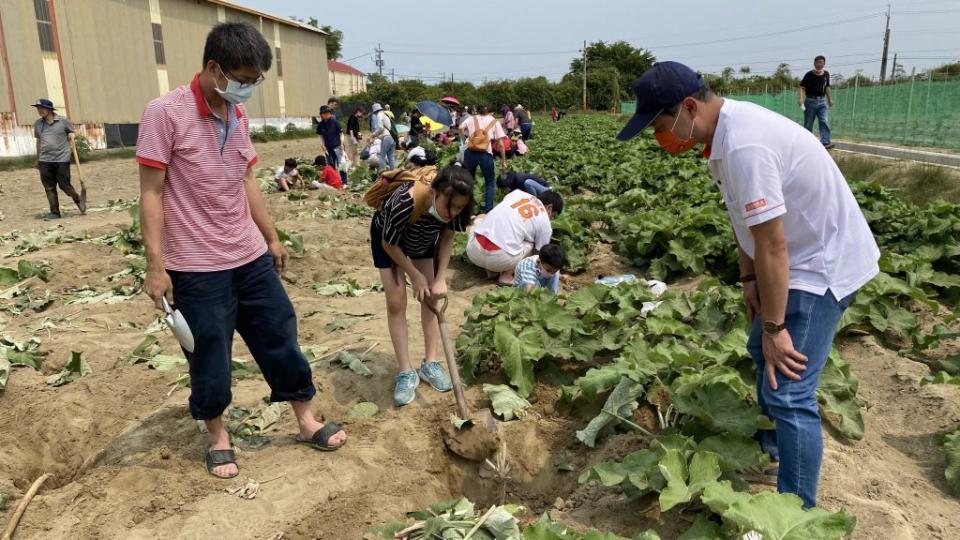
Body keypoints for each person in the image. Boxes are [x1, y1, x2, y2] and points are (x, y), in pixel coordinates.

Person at [617, 61, 879, 509]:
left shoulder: (745, 146)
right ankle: (771, 450)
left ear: (688, 106)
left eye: (661, 124)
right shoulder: (722, 140)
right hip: (794, 259)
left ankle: (795, 513)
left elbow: (774, 245)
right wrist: (749, 280)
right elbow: (747, 225)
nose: (660, 136)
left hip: (821, 265)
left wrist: (777, 328)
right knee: (760, 352)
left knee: (791, 389)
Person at [136, 22, 346, 480]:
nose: (248, 88)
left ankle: (305, 418)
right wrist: (155, 267)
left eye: (255, 81)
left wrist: (271, 237)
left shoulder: (238, 114)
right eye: (244, 79)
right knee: (210, 354)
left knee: (279, 334)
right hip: (195, 265)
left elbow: (246, 178)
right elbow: (151, 193)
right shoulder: (164, 113)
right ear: (214, 68)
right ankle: (218, 436)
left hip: (247, 255)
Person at [370, 166, 475, 406]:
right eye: (451, 205)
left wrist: (438, 279)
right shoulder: (405, 202)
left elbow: (447, 239)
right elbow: (389, 244)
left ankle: (430, 364)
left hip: (424, 238)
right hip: (390, 242)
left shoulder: (457, 207)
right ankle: (406, 371)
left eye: (460, 207)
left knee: (431, 299)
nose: (454, 212)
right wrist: (415, 275)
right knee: (396, 303)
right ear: (434, 192)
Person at [466, 189, 563, 286]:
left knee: (482, 216)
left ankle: (491, 271)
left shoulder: (517, 193)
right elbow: (540, 256)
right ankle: (506, 276)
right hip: (500, 259)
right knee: (531, 243)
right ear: (550, 208)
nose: (550, 219)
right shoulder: (545, 222)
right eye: (553, 216)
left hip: (473, 252)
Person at [32, 98, 85, 219]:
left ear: (50, 109)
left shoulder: (63, 121)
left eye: (42, 108)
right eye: (38, 109)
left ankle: (78, 199)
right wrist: (38, 158)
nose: (40, 111)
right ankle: (55, 212)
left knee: (64, 185)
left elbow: (74, 132)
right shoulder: (38, 124)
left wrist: (72, 135)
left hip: (62, 159)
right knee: (49, 187)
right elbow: (39, 142)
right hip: (45, 160)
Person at [459, 105, 507, 212]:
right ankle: (488, 211)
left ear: (478, 111)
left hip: (470, 152)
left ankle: (468, 209)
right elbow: (501, 144)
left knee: (469, 181)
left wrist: (465, 140)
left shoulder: (471, 118)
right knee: (489, 182)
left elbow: (460, 128)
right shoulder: (494, 121)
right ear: (489, 112)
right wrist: (503, 161)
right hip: (485, 153)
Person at [798, 56, 834, 149]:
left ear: (824, 64)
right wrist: (801, 98)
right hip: (810, 101)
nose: (820, 64)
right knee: (809, 123)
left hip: (822, 101)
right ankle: (807, 142)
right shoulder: (809, 75)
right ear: (814, 64)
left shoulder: (826, 74)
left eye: (822, 62)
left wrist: (830, 99)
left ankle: (825, 141)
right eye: (818, 62)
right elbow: (802, 87)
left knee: (824, 120)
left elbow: (827, 87)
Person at [316, 104, 343, 173]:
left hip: (337, 146)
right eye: (325, 113)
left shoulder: (335, 122)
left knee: (342, 164)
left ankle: (344, 181)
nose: (328, 114)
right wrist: (322, 144)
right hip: (328, 148)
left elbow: (341, 134)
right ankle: (334, 179)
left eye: (329, 112)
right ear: (321, 114)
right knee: (331, 164)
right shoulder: (320, 125)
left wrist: (342, 143)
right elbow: (321, 136)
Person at [371, 103, 397, 171]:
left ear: (375, 111)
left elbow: (381, 128)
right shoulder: (385, 114)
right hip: (391, 138)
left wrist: (374, 134)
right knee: (391, 157)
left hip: (386, 138)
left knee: (382, 157)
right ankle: (394, 172)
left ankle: (383, 173)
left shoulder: (379, 115)